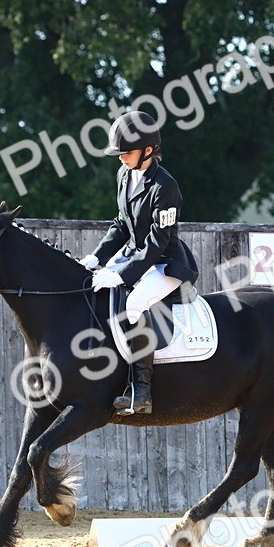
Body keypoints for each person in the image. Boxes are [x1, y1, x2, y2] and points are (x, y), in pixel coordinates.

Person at [78, 110, 199, 415]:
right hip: (133, 255)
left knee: (134, 304)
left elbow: (158, 243)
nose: (121, 158)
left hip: (164, 263)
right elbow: (122, 224)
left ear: (147, 150)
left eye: (126, 152)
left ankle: (141, 391)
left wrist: (122, 275)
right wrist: (97, 257)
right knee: (92, 286)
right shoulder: (124, 175)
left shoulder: (165, 187)